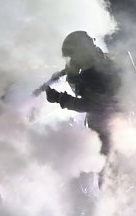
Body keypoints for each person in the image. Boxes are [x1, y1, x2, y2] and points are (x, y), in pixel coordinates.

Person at [35, 30, 122, 161]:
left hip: (109, 127)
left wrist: (59, 98)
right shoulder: (100, 62)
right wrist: (66, 74)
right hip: (109, 122)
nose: (71, 60)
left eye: (73, 56)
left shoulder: (95, 74)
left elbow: (92, 105)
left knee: (105, 165)